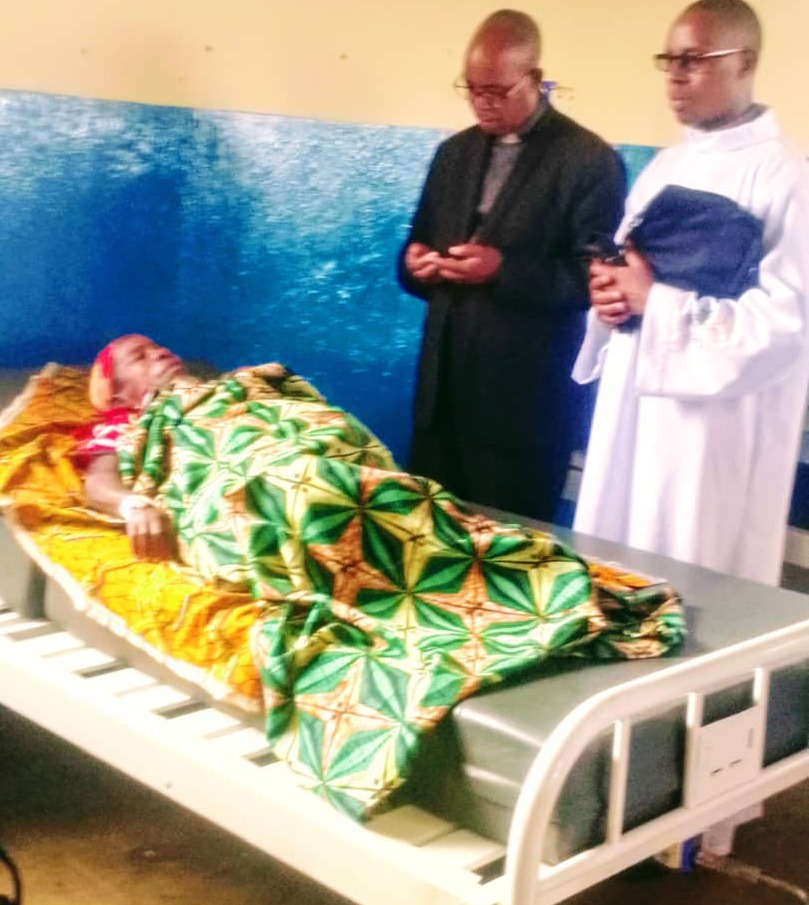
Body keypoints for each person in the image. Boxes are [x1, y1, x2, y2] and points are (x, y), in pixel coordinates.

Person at [74, 333, 682, 819]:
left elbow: (324, 421)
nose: (159, 352)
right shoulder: (126, 426)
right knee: (299, 492)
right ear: (119, 392)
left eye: (158, 345)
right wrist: (135, 503)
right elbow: (99, 483)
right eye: (138, 356)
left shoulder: (245, 383)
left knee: (367, 489)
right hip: (238, 487)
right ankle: (448, 595)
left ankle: (451, 575)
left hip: (308, 452)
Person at [573, 0, 809, 588]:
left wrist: (654, 302)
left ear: (745, 62)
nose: (675, 77)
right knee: (617, 563)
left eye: (693, 60)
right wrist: (608, 296)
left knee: (692, 578)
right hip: (633, 400)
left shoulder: (787, 179)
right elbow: (629, 267)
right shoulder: (665, 166)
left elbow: (785, 326)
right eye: (669, 60)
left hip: (712, 431)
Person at [398, 9, 625, 523]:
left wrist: (502, 270)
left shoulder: (588, 161)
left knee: (509, 554)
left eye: (497, 91)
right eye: (472, 88)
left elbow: (591, 282)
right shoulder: (453, 154)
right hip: (442, 402)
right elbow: (414, 249)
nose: (483, 102)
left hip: (522, 414)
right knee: (428, 542)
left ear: (535, 80)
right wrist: (417, 266)